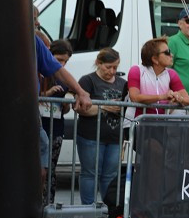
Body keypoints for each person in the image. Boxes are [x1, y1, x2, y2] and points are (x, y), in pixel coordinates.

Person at [77, 48, 127, 205]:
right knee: (90, 174)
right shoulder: (87, 80)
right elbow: (80, 108)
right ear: (98, 63)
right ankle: (88, 209)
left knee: (110, 176)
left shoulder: (123, 83)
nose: (112, 71)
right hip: (91, 136)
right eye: (108, 67)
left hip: (115, 137)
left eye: (115, 67)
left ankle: (108, 210)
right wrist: (105, 107)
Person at [39, 40, 73, 204]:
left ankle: (49, 203)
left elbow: (65, 110)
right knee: (40, 168)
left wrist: (67, 104)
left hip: (56, 128)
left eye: (65, 61)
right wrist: (47, 93)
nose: (62, 64)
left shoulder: (64, 79)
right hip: (40, 127)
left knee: (51, 169)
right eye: (59, 59)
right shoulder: (39, 74)